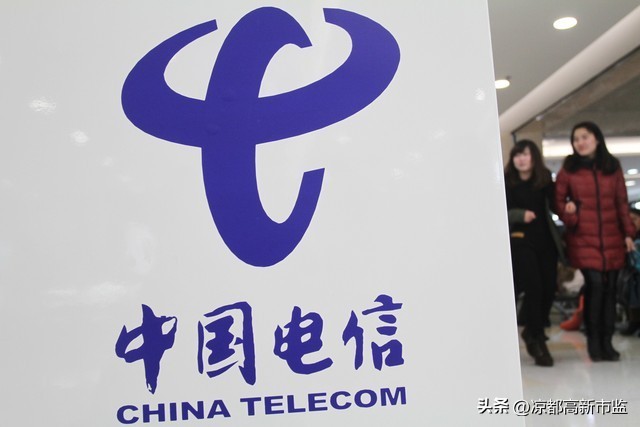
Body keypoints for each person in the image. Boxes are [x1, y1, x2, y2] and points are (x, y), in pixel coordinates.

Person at [555, 121, 636, 362]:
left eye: (585, 137)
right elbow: (558, 202)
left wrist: (628, 233)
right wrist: (571, 215)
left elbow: (621, 202)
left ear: (597, 139)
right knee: (595, 286)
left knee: (611, 289)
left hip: (612, 236)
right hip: (583, 238)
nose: (580, 142)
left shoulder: (612, 167)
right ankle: (593, 341)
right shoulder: (569, 169)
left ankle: (607, 341)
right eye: (576, 139)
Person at [505, 140, 564, 367]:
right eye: (517, 155)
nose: (521, 159)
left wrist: (569, 208)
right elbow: (499, 210)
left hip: (546, 241)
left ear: (534, 157)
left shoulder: (544, 180)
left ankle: (531, 330)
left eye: (525, 154)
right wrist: (520, 215)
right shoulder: (507, 181)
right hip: (520, 240)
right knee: (534, 288)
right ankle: (538, 339)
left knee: (549, 288)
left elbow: (556, 205)